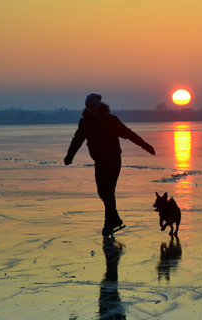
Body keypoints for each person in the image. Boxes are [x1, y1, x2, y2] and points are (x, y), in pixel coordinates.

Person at [64, 93, 156, 236]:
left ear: (98, 107)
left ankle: (108, 223)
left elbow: (129, 134)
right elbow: (77, 140)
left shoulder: (111, 121)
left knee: (108, 191)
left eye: (92, 107)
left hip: (113, 161)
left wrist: (145, 146)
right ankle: (116, 218)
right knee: (102, 192)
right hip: (99, 162)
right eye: (87, 107)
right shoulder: (85, 123)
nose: (89, 110)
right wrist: (70, 156)